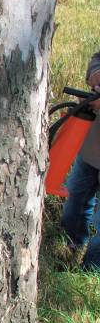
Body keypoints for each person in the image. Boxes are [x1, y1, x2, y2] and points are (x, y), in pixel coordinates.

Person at [61, 51, 100, 272]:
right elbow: (97, 57)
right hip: (92, 148)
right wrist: (95, 72)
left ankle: (89, 274)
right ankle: (68, 252)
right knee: (74, 204)